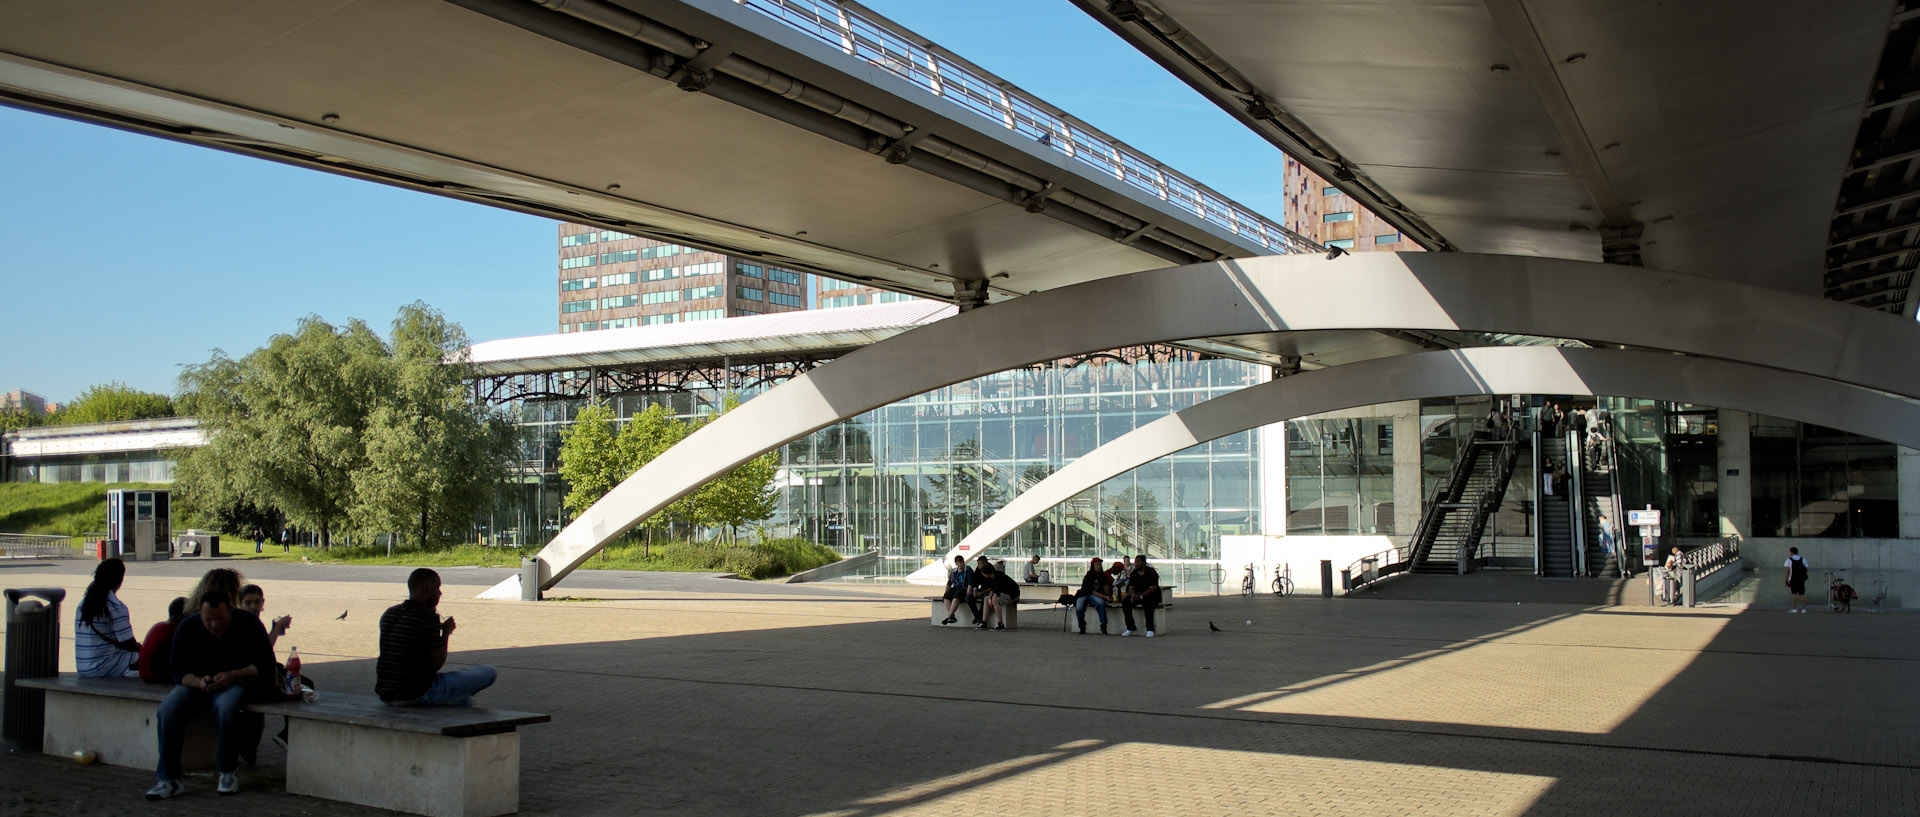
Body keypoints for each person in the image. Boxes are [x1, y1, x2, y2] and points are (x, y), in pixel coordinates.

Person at [146, 590, 274, 800]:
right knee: (168, 709)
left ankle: (226, 772)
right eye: (209, 620)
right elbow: (176, 670)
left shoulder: (248, 623)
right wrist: (198, 682)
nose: (214, 625)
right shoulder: (188, 626)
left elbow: (266, 663)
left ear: (231, 611)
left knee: (226, 707)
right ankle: (168, 779)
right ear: (200, 614)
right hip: (197, 682)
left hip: (236, 681)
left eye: (220, 619)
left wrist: (234, 675)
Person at [377, 568, 497, 707]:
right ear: (426, 589)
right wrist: (446, 633)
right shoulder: (427, 616)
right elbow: (437, 663)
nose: (440, 593)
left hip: (387, 693)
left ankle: (461, 702)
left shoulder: (390, 613)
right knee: (489, 672)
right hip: (418, 692)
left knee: (463, 701)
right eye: (437, 588)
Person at [75, 558, 140, 678]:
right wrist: (143, 647)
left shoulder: (82, 604)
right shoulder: (115, 606)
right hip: (103, 667)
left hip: (83, 667)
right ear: (119, 580)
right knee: (152, 657)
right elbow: (128, 644)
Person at [138, 597, 189, 684]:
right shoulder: (176, 631)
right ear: (184, 615)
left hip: (145, 675)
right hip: (160, 677)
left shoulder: (157, 627)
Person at [1121, 554, 1163, 637]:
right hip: (1137, 594)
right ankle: (1130, 627)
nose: (1135, 564)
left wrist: (1141, 596)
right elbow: (1131, 586)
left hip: (1151, 595)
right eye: (1135, 562)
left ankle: (1150, 629)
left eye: (1138, 562)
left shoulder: (1151, 572)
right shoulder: (1134, 573)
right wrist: (1133, 595)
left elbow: (1153, 588)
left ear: (1143, 563)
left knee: (1148, 603)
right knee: (1125, 602)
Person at [975, 560, 1019, 631]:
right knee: (986, 599)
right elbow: (993, 589)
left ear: (987, 573)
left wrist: (991, 599)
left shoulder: (999, 577)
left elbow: (997, 593)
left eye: (984, 574)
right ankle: (984, 622)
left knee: (995, 601)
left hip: (1012, 594)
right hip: (1003, 593)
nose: (984, 576)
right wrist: (989, 598)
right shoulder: (992, 577)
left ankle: (1000, 623)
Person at [1073, 557, 1112, 634]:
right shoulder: (1089, 576)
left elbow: (1105, 586)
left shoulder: (1102, 576)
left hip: (1096, 595)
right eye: (1097, 565)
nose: (1099, 566)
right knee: (1080, 607)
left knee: (1101, 603)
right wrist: (1105, 597)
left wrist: (1108, 595)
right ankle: (1082, 626)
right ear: (1093, 566)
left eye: (1100, 565)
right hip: (1084, 594)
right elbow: (1092, 591)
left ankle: (1103, 626)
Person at [938, 555, 973, 625]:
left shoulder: (967, 570)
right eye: (958, 563)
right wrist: (946, 592)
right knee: (946, 596)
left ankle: (949, 616)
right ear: (956, 564)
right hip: (956, 588)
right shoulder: (954, 571)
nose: (959, 564)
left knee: (956, 596)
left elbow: (970, 583)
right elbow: (949, 584)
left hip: (964, 589)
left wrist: (968, 594)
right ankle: (952, 616)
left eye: (961, 562)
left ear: (963, 562)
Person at [1784, 547, 1811, 613]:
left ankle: (1794, 609)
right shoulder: (1803, 559)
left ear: (1791, 552)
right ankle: (1804, 609)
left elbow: (1788, 571)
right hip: (1801, 579)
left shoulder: (1788, 560)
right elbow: (1807, 569)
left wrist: (1786, 580)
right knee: (1802, 594)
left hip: (1793, 579)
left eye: (1790, 552)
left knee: (1794, 594)